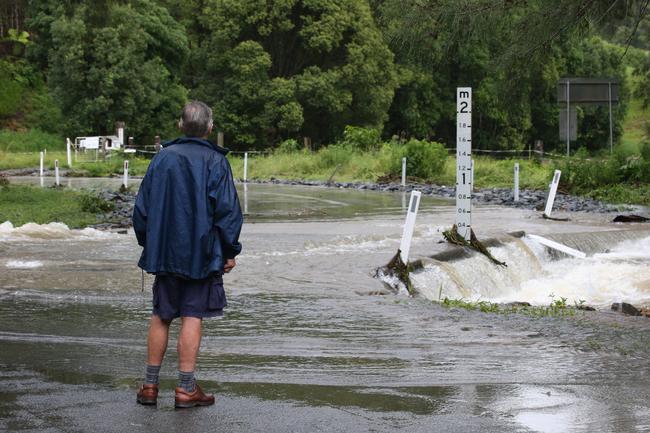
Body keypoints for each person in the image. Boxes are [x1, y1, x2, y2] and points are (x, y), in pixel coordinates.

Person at [132, 101, 243, 408]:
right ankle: (185, 389)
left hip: (165, 252)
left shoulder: (162, 158)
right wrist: (230, 250)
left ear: (180, 125)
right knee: (192, 315)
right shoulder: (216, 162)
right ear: (210, 128)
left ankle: (150, 387)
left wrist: (150, 243)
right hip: (203, 254)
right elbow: (228, 212)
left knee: (161, 315)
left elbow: (141, 211)